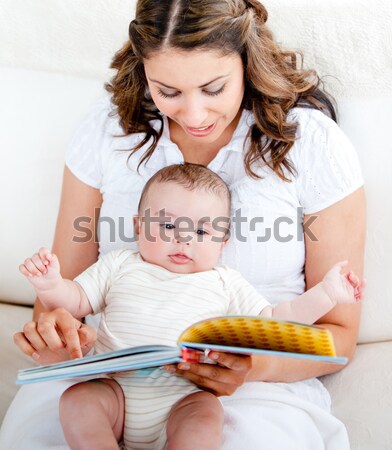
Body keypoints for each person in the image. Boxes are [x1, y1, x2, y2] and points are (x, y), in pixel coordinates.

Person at [1, 0, 365, 449]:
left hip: (253, 390)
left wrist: (252, 365)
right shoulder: (106, 133)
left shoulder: (312, 144)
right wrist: (59, 336)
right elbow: (64, 299)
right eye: (167, 91)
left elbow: (338, 337)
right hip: (107, 373)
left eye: (214, 88)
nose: (193, 116)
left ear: (247, 61)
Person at [19, 164, 364, 450]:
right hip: (115, 388)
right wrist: (51, 284)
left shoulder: (225, 282)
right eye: (167, 225)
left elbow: (277, 322)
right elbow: (76, 299)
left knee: (206, 417)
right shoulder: (121, 264)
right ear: (139, 227)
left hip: (185, 395)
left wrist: (327, 294)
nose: (183, 239)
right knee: (77, 401)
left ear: (222, 242)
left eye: (202, 231)